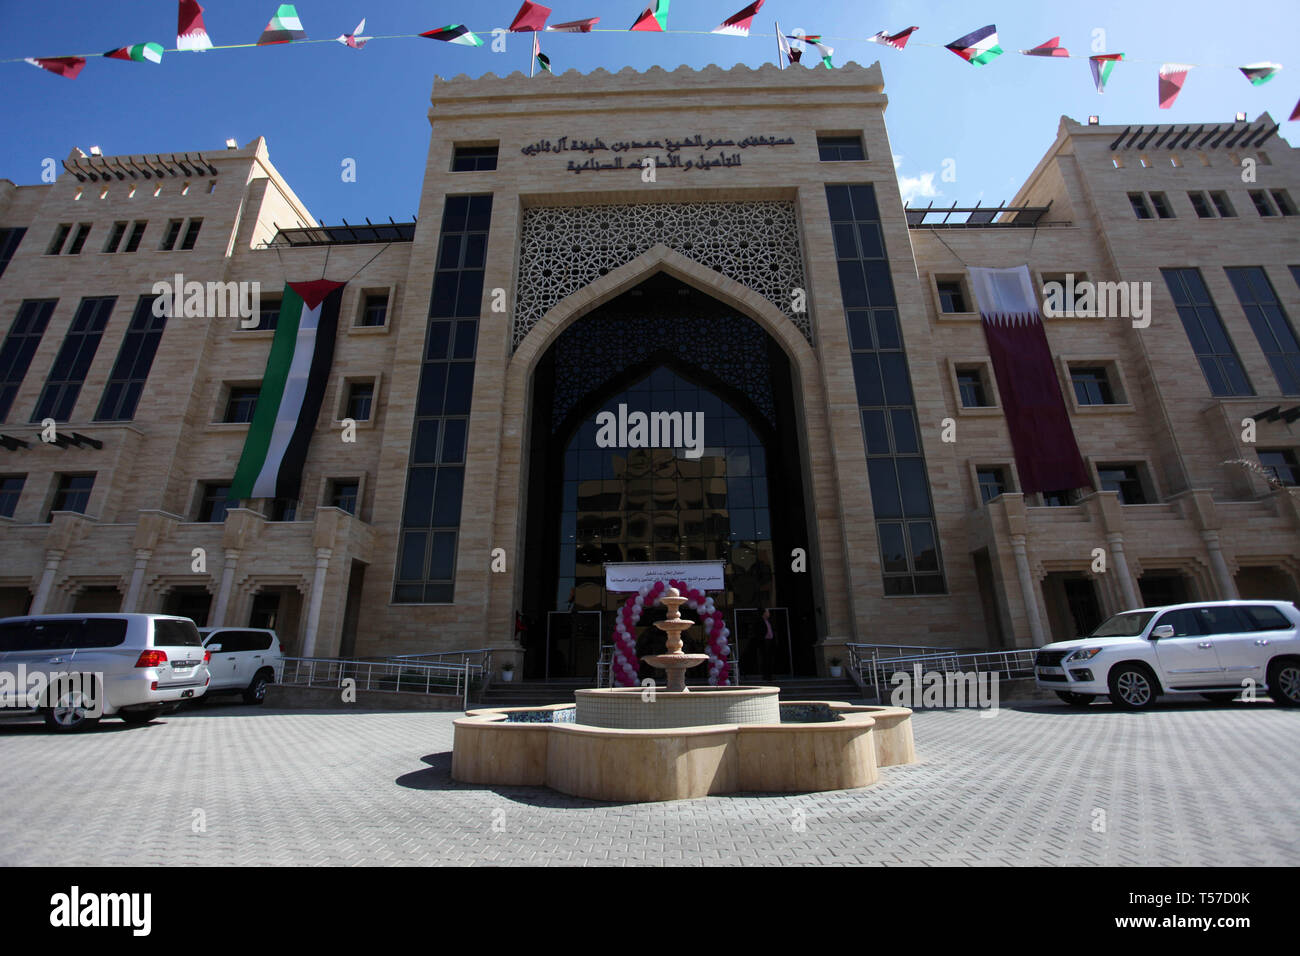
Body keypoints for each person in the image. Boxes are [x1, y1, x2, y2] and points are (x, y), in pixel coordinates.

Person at [758, 607, 775, 682]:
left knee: (770, 658)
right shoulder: (760, 621)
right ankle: (766, 675)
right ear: (764, 613)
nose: (769, 613)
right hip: (764, 641)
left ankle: (770, 675)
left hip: (770, 641)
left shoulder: (768, 621)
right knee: (765, 659)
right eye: (767, 612)